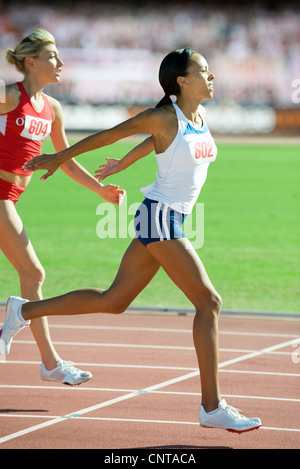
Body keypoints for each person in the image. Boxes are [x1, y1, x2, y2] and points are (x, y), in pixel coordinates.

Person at [0, 48, 261, 432]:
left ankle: (22, 311)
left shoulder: (197, 117)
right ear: (182, 81)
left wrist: (127, 162)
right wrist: (61, 156)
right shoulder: (162, 115)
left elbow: (160, 143)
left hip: (172, 217)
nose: (212, 76)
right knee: (209, 302)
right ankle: (211, 406)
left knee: (114, 300)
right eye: (203, 71)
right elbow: (109, 135)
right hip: (160, 217)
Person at [0, 29, 126, 385]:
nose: (61, 63)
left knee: (32, 275)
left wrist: (99, 190)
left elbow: (65, 161)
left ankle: (50, 364)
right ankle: (50, 363)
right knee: (34, 274)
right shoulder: (9, 96)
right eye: (53, 56)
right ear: (31, 61)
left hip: (10, 196)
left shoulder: (52, 108)